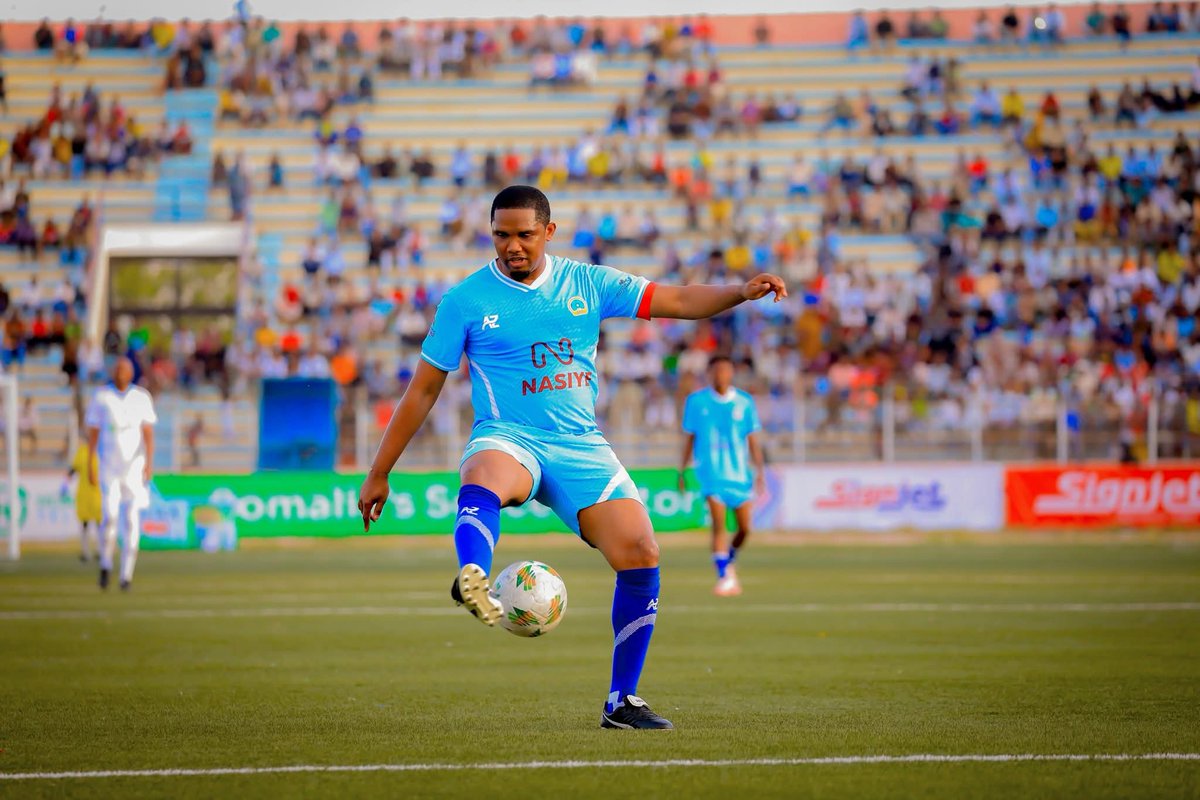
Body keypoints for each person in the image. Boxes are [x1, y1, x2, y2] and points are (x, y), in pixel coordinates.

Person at [358, 185, 787, 730]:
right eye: (501, 235)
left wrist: (740, 293)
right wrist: (379, 471)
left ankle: (622, 702)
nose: (512, 246)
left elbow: (675, 300)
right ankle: (472, 571)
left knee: (641, 550)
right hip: (509, 434)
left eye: (523, 235)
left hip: (580, 444)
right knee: (486, 472)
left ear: (549, 232)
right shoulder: (465, 301)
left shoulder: (588, 281)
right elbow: (421, 391)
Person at [678, 355, 766, 597]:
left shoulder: (745, 402)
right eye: (716, 370)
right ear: (710, 373)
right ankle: (724, 577)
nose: (721, 375)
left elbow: (753, 439)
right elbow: (690, 438)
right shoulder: (696, 402)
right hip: (711, 473)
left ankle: (728, 559)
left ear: (731, 373)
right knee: (719, 526)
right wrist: (682, 470)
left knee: (745, 528)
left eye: (725, 370)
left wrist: (760, 472)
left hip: (739, 474)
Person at [85, 357, 157, 591]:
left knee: (132, 519)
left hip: (134, 468)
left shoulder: (141, 397)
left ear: (131, 372)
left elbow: (148, 433)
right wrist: (90, 463)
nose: (121, 373)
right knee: (110, 516)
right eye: (118, 369)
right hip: (109, 467)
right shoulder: (101, 397)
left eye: (125, 369)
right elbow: (93, 434)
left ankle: (126, 575)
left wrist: (149, 463)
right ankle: (106, 562)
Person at [65, 438, 102, 562]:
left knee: (100, 523)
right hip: (85, 492)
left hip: (99, 492)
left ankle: (100, 550)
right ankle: (85, 552)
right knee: (85, 522)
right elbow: (73, 469)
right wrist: (65, 483)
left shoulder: (101, 450)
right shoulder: (82, 451)